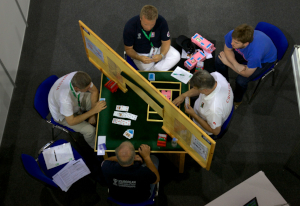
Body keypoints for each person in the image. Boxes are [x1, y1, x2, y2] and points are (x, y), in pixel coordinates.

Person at [215, 24, 277, 109]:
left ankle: (237, 100)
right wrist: (236, 64)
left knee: (241, 81)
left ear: (246, 43)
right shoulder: (233, 35)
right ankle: (224, 84)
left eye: (236, 43)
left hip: (264, 60)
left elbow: (246, 74)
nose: (232, 43)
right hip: (247, 53)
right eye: (233, 40)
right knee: (219, 60)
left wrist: (228, 63)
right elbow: (227, 49)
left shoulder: (255, 54)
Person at [48, 71, 107, 148]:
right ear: (76, 88)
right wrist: (93, 111)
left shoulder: (80, 77)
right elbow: (71, 121)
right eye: (87, 89)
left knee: (101, 103)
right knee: (90, 131)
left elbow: (94, 91)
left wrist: (92, 115)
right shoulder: (65, 99)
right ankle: (96, 147)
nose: (90, 88)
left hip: (77, 100)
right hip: (64, 116)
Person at [173, 70, 233, 137]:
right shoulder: (216, 75)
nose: (193, 89)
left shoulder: (213, 109)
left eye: (195, 88)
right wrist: (183, 96)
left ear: (205, 90)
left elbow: (216, 131)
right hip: (210, 111)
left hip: (205, 122)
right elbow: (199, 88)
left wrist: (194, 115)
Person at [123, 5, 180, 71]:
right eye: (145, 24)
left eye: (152, 24)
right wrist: (138, 57)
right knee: (149, 70)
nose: (148, 28)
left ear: (156, 19)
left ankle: (153, 72)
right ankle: (155, 71)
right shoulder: (130, 26)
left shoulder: (161, 21)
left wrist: (161, 55)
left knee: (176, 55)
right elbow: (128, 49)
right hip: (141, 54)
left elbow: (166, 42)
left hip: (157, 48)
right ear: (140, 19)